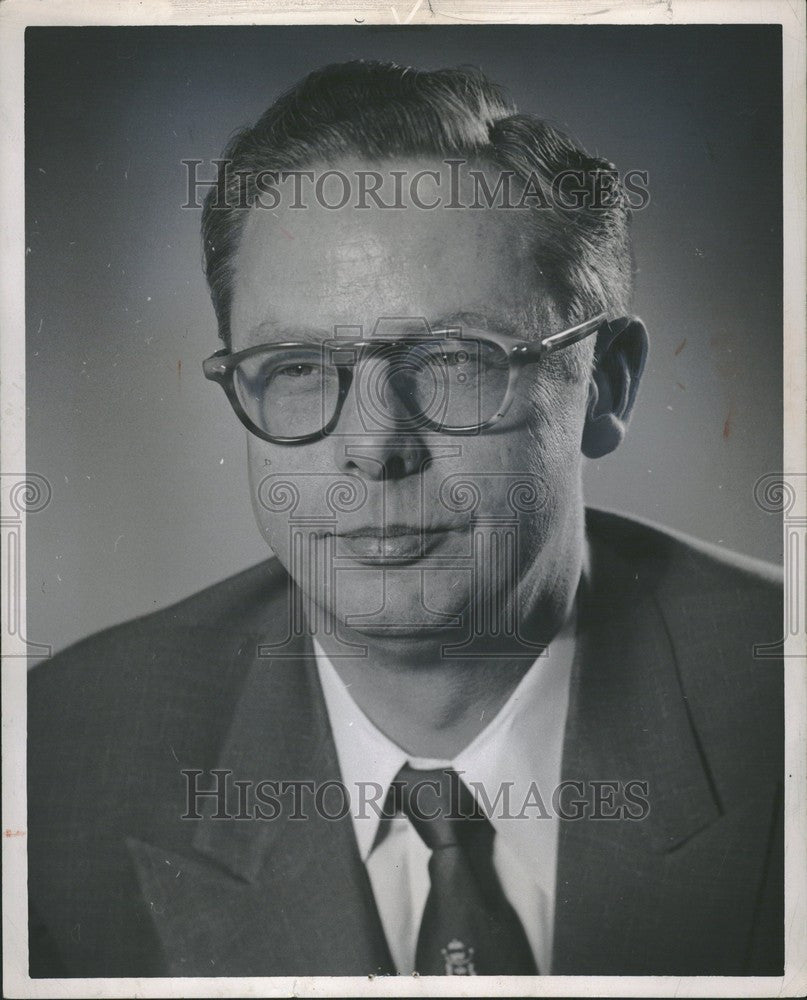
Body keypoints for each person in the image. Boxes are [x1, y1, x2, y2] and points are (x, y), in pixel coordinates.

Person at [28, 60, 783, 978]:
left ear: (605, 387)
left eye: (455, 360)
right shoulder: (54, 761)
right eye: (299, 366)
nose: (374, 450)